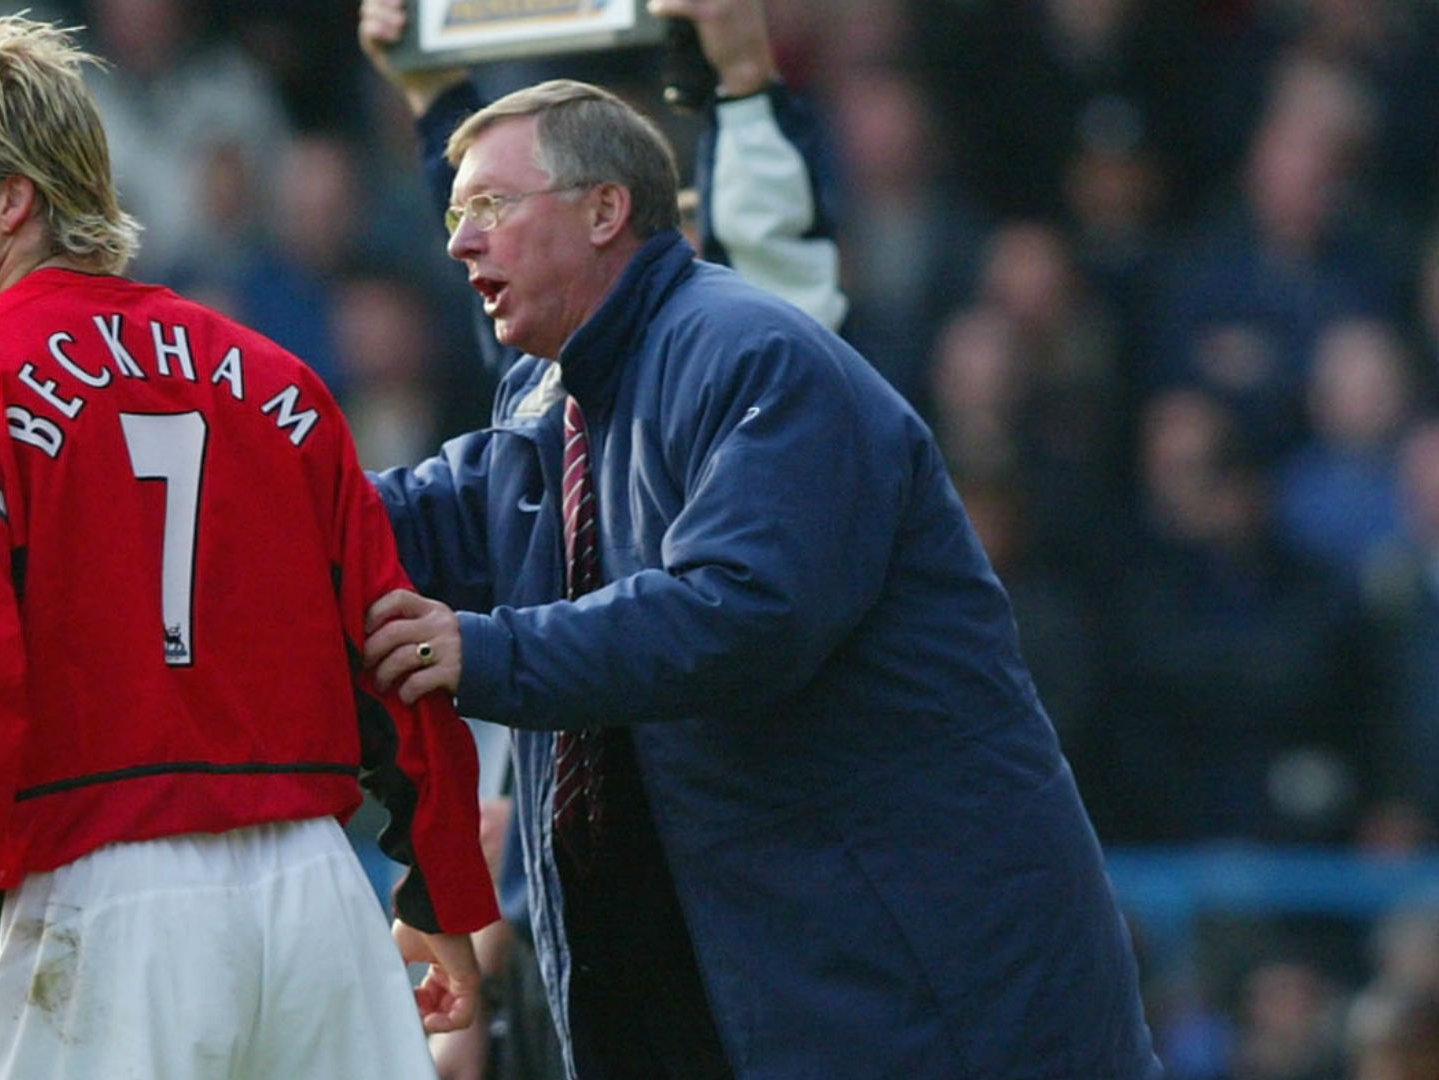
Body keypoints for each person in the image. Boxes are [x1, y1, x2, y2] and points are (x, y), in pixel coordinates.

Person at [356, 20, 1162, 1080]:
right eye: (457, 215)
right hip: (751, 989)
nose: (462, 243)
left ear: (606, 211)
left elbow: (741, 613)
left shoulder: (756, 355)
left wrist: (487, 651)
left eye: (492, 208)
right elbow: (400, 519)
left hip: (920, 996)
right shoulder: (550, 397)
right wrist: (233, 464)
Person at [0, 17, 499, 1080]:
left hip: (104, 903)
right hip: (318, 907)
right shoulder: (280, 381)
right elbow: (397, 644)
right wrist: (440, 892)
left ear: (12, 200)